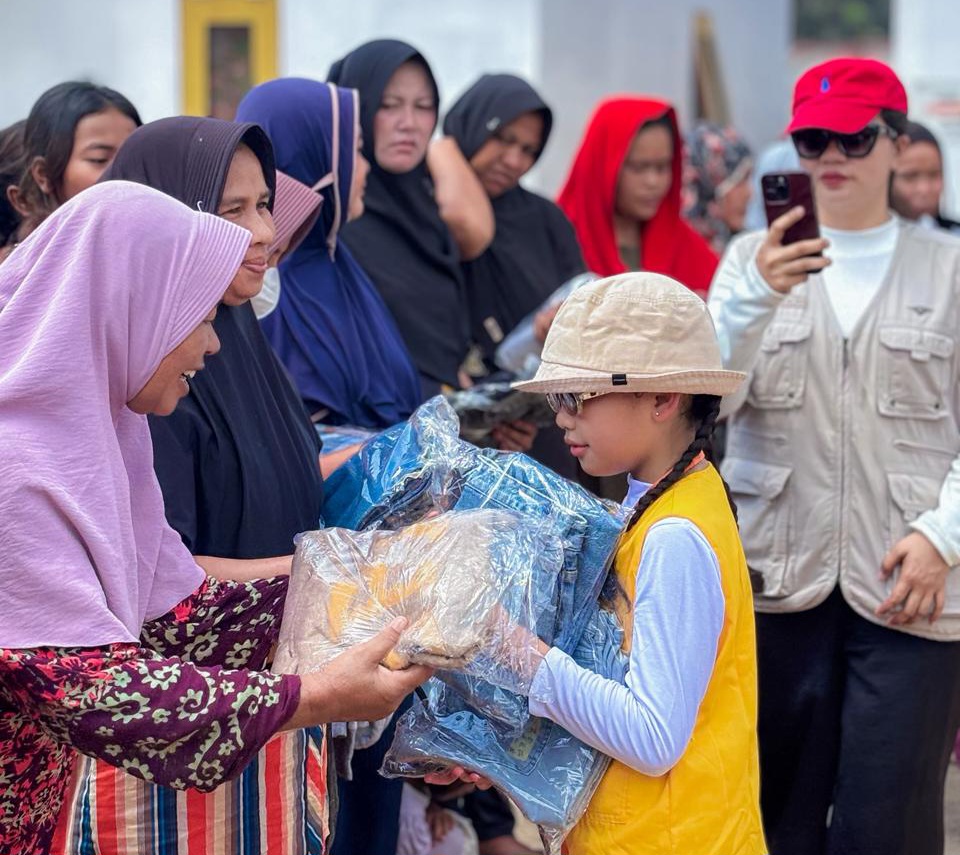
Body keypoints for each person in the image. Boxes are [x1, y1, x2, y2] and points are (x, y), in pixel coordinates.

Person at [0, 180, 429, 855]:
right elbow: (93, 687)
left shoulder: (103, 437)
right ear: (129, 311)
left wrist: (380, 582)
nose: (214, 345)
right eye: (197, 318)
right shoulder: (15, 468)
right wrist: (313, 696)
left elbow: (178, 621)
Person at [708, 58, 960, 855]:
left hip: (911, 588)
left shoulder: (951, 269)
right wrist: (755, 299)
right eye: (813, 140)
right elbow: (703, 404)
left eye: (853, 136)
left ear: (895, 142)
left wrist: (945, 537)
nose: (831, 158)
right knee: (774, 816)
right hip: (778, 582)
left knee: (889, 824)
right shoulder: (749, 263)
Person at [437, 272, 764, 854]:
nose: (560, 417)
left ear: (663, 399)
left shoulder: (675, 534)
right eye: (556, 400)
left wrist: (521, 656)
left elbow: (652, 736)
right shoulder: (666, 500)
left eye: (577, 398)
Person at [236, 77, 423, 428]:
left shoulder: (337, 265)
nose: (364, 166)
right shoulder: (263, 288)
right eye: (355, 149)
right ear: (311, 156)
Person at [328, 39, 494, 398]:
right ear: (355, 110)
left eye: (424, 107)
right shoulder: (333, 224)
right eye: (389, 106)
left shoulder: (429, 215)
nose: (409, 124)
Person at [557, 97, 718, 299]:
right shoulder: (558, 238)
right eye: (639, 167)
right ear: (603, 165)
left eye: (662, 167)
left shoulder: (686, 248)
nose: (653, 182)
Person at [11, 81, 140, 231]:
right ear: (43, 174)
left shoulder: (164, 244)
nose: (124, 174)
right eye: (99, 159)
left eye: (134, 159)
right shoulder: (27, 254)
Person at [683, 121, 754, 254]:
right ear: (709, 189)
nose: (750, 193)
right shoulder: (683, 258)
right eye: (739, 182)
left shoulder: (749, 253)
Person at [890, 120, 960, 233]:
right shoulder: (871, 244)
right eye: (910, 176)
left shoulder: (954, 237)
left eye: (934, 175)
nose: (924, 189)